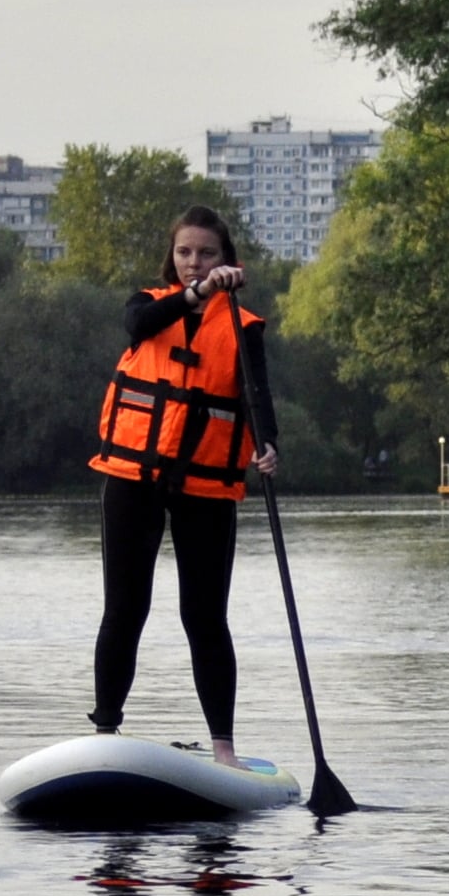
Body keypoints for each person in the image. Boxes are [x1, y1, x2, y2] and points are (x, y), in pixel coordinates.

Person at [87, 207, 281, 764]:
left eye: (207, 254)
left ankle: (224, 747)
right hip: (133, 478)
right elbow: (137, 329)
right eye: (185, 253)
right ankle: (105, 734)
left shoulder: (244, 326)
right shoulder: (147, 305)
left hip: (206, 485)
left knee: (204, 616)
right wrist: (195, 295)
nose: (194, 263)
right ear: (171, 258)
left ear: (227, 260)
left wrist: (268, 444)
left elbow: (257, 395)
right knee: (125, 608)